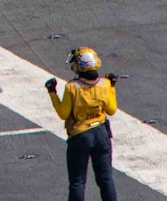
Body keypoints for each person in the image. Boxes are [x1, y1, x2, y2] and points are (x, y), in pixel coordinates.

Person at [47, 47, 118, 201]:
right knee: (106, 179)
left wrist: (52, 93)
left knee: (78, 182)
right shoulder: (105, 84)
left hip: (80, 136)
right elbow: (111, 110)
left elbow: (63, 114)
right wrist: (112, 88)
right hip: (101, 134)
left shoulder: (72, 88)